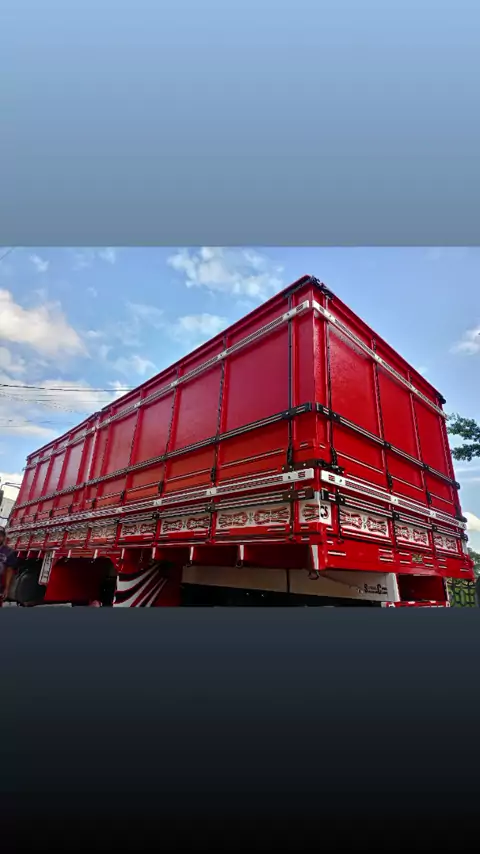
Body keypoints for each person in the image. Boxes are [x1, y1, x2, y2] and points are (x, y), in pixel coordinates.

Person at [0, 526, 18, 604]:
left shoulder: (9, 552)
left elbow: (9, 570)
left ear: (4, 537)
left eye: (0, 535)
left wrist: (7, 588)